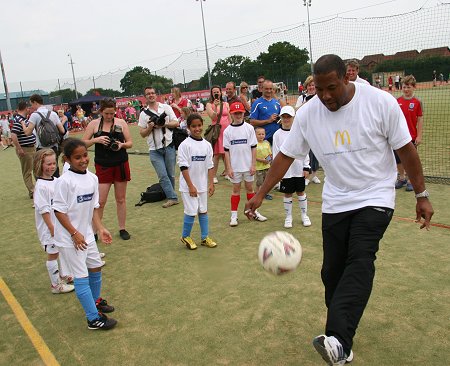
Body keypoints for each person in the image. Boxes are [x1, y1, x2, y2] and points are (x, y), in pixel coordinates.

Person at [245, 54, 434, 365]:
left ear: (347, 78)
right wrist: (260, 193)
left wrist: (422, 195)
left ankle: (338, 340)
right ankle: (341, 340)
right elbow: (286, 156)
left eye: (331, 87)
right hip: (336, 199)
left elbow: (406, 150)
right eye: (319, 90)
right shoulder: (308, 114)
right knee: (332, 271)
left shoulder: (380, 103)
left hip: (376, 196)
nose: (326, 96)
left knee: (360, 258)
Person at [53, 139, 116, 330]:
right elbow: (59, 211)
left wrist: (101, 227)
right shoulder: (64, 181)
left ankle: (95, 302)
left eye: (85, 155)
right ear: (67, 159)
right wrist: (74, 233)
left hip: (86, 235)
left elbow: (93, 209)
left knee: (96, 267)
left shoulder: (92, 178)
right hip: (69, 238)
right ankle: (92, 319)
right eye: (77, 157)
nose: (83, 160)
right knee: (81, 277)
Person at [82, 99, 133, 240]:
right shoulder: (94, 124)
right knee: (101, 201)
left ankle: (122, 228)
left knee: (121, 199)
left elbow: (130, 143)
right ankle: (94, 231)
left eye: (112, 113)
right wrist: (95, 140)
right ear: (101, 111)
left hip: (120, 164)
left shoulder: (121, 123)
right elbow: (82, 143)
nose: (109, 116)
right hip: (103, 164)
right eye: (106, 113)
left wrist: (122, 145)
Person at [33, 149, 75, 294]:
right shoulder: (40, 186)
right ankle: (56, 285)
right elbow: (44, 210)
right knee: (53, 254)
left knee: (61, 249)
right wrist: (51, 227)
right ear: (40, 165)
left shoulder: (57, 181)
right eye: (48, 164)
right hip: (49, 228)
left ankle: (64, 275)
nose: (52, 167)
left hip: (59, 225)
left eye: (53, 163)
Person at [177, 113, 217, 250]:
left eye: (199, 125)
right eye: (193, 126)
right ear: (188, 127)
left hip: (202, 186)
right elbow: (183, 167)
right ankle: (185, 236)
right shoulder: (184, 145)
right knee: (191, 211)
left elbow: (210, 165)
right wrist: (190, 186)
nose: (197, 129)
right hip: (189, 187)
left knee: (203, 211)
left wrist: (211, 183)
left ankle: (205, 237)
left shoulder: (206, 145)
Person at [224, 102, 267, 226]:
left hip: (248, 166)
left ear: (244, 113)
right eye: (235, 113)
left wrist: (253, 165)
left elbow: (253, 148)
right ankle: (234, 216)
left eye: (240, 113)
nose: (238, 115)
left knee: (250, 188)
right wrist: (228, 168)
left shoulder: (249, 128)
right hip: (235, 167)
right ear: (231, 114)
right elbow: (226, 152)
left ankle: (254, 212)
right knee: (236, 190)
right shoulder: (228, 131)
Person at [138, 86, 180, 208]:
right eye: (148, 94)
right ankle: (173, 197)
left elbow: (176, 122)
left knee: (170, 174)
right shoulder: (143, 114)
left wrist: (163, 124)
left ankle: (169, 195)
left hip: (168, 145)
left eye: (152, 93)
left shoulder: (166, 108)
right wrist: (150, 127)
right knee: (162, 175)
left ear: (156, 95)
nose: (151, 95)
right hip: (154, 149)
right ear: (145, 97)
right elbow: (142, 133)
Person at [272, 106, 311, 228]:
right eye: (284, 116)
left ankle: (304, 215)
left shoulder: (300, 132)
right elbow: (275, 153)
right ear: (280, 118)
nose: (286, 119)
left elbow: (305, 151)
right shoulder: (277, 134)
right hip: (286, 171)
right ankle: (288, 217)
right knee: (287, 193)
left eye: (289, 117)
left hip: (298, 169)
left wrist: (306, 167)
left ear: (294, 118)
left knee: (301, 192)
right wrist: (278, 172)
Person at [21, 94, 65, 177]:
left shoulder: (35, 115)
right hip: (54, 147)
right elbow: (62, 130)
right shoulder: (53, 114)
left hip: (41, 147)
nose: (31, 107)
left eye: (31, 104)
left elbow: (27, 133)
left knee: (42, 170)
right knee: (54, 168)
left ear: (35, 102)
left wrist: (23, 125)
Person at [395, 75, 424, 192]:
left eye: (408, 87)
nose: (406, 89)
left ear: (414, 87)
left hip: (411, 137)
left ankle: (410, 180)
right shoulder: (397, 101)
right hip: (398, 136)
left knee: (411, 160)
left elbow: (420, 119)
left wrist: (419, 135)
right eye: (404, 87)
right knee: (398, 159)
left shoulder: (417, 102)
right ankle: (401, 178)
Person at [295, 76, 321, 185]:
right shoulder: (302, 98)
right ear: (306, 86)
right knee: (307, 153)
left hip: (318, 128)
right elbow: (296, 110)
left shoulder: (320, 96)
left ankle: (314, 175)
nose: (311, 87)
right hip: (306, 128)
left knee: (317, 153)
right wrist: (307, 102)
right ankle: (306, 176)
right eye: (309, 85)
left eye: (313, 85)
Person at [205, 85, 231, 184]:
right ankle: (213, 175)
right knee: (216, 154)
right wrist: (215, 106)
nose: (216, 93)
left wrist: (232, 127)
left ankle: (228, 172)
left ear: (221, 92)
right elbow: (213, 117)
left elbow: (229, 116)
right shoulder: (209, 104)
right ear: (212, 93)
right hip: (217, 131)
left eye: (218, 91)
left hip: (226, 130)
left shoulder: (225, 103)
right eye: (214, 92)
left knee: (226, 153)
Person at [11, 101, 36, 199]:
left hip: (30, 147)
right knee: (27, 171)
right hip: (25, 148)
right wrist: (19, 148)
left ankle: (34, 190)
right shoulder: (18, 120)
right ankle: (32, 191)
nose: (30, 109)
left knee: (33, 169)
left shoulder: (22, 119)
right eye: (29, 108)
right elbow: (13, 135)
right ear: (26, 108)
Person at [249, 80, 281, 144]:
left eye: (270, 89)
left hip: (277, 138)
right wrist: (268, 121)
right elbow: (252, 122)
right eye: (266, 89)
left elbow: (281, 118)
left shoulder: (276, 102)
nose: (269, 91)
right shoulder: (257, 103)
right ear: (262, 89)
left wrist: (279, 119)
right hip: (264, 140)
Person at [255, 127, 273, 201]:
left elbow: (270, 154)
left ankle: (265, 193)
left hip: (267, 166)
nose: (261, 136)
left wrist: (267, 160)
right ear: (255, 135)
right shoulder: (254, 144)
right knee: (259, 182)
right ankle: (257, 193)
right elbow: (253, 156)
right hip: (258, 167)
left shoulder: (267, 143)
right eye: (259, 134)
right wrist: (262, 160)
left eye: (263, 134)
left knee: (266, 181)